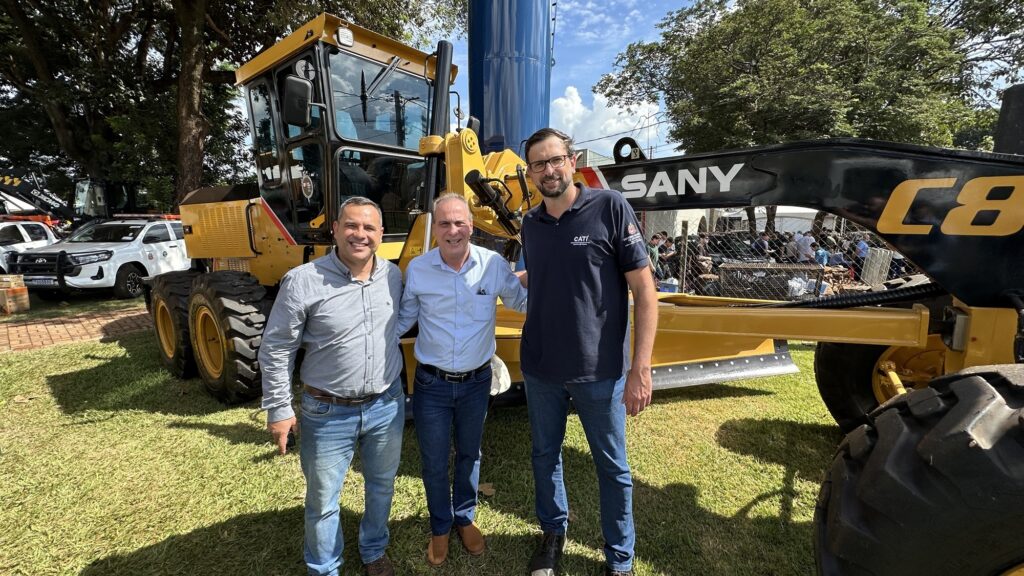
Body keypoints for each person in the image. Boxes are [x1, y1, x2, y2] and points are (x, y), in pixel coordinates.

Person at [520, 127, 658, 576]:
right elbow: (544, 276)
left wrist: (640, 369)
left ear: (572, 159)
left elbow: (645, 291)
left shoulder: (610, 207)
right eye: (539, 164)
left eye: (555, 159)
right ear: (530, 173)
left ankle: (620, 558)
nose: (549, 170)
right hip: (541, 367)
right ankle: (553, 534)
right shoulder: (530, 222)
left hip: (599, 370)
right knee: (545, 455)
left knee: (613, 467)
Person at [259, 197, 405, 576]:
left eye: (369, 228)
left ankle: (373, 551)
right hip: (327, 411)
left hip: (386, 405)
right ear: (336, 229)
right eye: (352, 226)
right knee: (323, 499)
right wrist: (279, 408)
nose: (360, 235)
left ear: (381, 235)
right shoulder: (303, 281)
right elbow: (277, 347)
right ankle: (324, 568)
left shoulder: (394, 276)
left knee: (381, 487)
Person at [397, 193, 528, 566]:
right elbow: (404, 317)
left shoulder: (493, 265)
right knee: (434, 460)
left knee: (470, 453)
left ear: (471, 226)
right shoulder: (418, 270)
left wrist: (561, 283)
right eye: (444, 223)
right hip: (431, 385)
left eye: (459, 223)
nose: (452, 231)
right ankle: (441, 525)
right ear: (434, 227)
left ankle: (465, 517)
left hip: (476, 384)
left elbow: (520, 301)